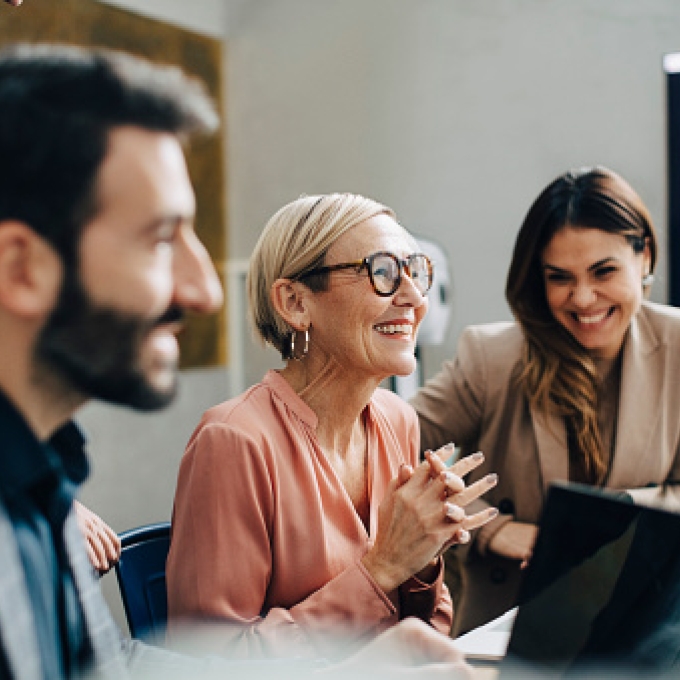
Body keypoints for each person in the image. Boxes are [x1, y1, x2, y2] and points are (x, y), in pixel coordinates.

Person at [0, 43, 473, 679]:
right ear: (20, 267)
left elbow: (109, 668)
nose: (205, 291)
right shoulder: (228, 442)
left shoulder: (42, 491)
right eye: (161, 239)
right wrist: (379, 572)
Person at [166, 193, 500, 659]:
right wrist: (382, 567)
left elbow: (426, 636)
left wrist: (422, 563)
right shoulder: (232, 441)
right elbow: (210, 665)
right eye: (382, 272)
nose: (414, 298)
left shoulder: (397, 419)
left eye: (416, 271)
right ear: (295, 302)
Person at [410, 165, 680, 636]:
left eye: (604, 271)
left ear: (645, 256)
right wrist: (491, 531)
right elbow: (393, 447)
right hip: (511, 632)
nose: (583, 298)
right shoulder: (491, 357)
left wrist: (606, 519)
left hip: (649, 630)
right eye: (560, 277)